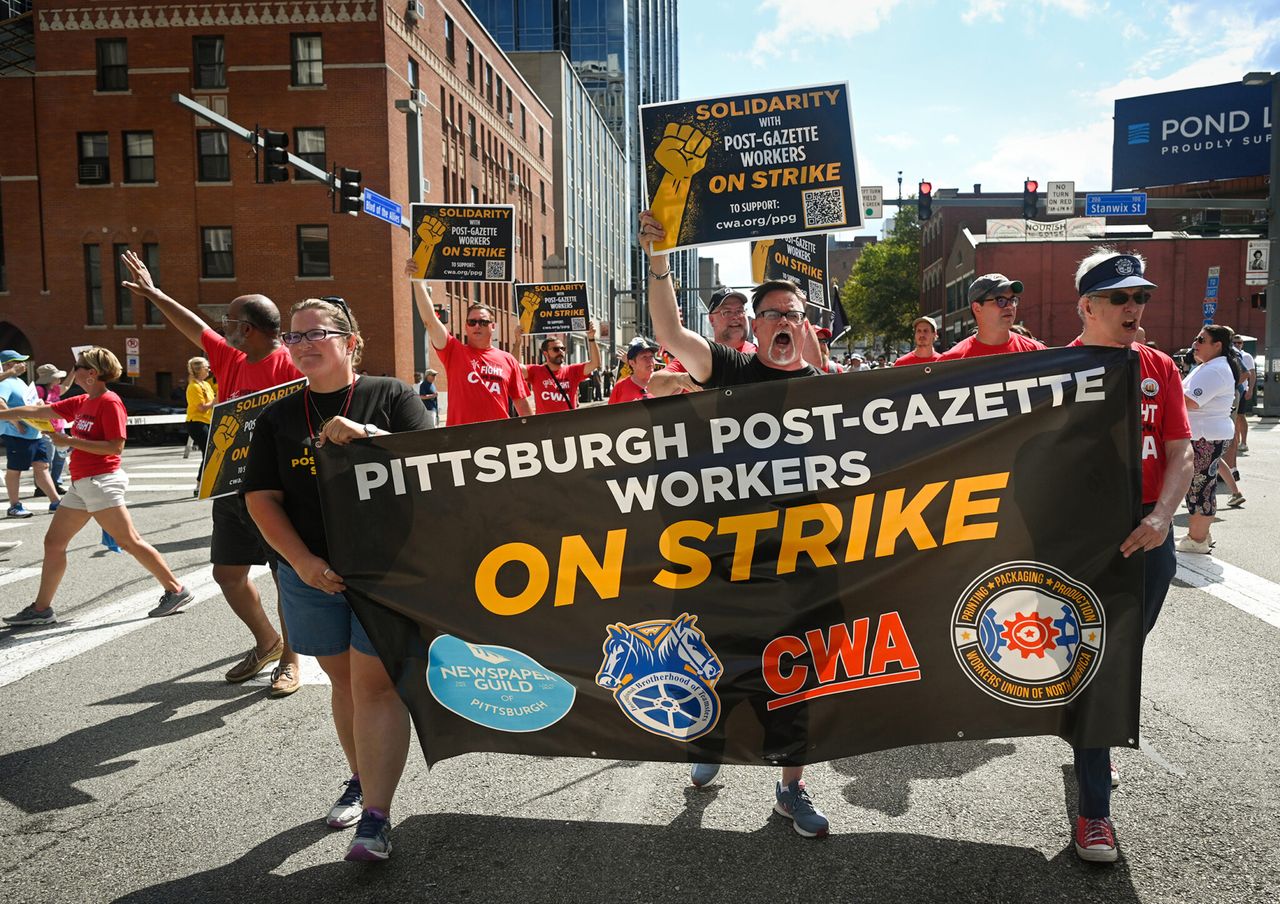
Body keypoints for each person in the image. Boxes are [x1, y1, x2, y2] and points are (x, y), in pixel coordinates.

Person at [640, 208, 829, 838]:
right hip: (720, 555)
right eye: (771, 314)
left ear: (804, 325)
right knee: (711, 658)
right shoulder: (731, 370)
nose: (783, 322)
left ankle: (791, 789)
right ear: (756, 324)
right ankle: (708, 742)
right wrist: (660, 258)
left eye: (792, 314)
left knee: (793, 671)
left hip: (795, 561)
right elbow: (669, 330)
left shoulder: (826, 390)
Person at [244, 298, 430, 862]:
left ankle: (375, 817)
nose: (302, 344)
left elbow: (428, 464)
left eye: (316, 333)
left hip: (383, 569)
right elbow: (261, 498)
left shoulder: (391, 395)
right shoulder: (277, 417)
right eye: (294, 336)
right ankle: (360, 777)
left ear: (350, 342)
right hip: (311, 573)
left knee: (375, 685)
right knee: (344, 682)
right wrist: (301, 562)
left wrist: (369, 433)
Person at [120, 250, 304, 696]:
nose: (222, 327)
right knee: (228, 574)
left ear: (248, 328)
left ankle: (291, 659)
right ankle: (267, 642)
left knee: (285, 577)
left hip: (277, 492)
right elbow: (193, 327)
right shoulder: (231, 358)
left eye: (229, 321)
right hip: (231, 487)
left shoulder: (291, 364)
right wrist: (154, 294)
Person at [1067, 248, 1193, 863]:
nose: (1134, 307)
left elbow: (1181, 451)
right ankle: (1094, 814)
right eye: (1120, 297)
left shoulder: (1159, 367)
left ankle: (1090, 735)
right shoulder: (1056, 369)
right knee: (1104, 660)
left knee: (1121, 651)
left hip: (1148, 529)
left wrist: (1163, 516)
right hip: (1083, 533)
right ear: (1087, 307)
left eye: (1140, 296)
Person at [1, 347, 194, 626]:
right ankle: (42, 609)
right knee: (54, 542)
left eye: (77, 366)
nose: (74, 371)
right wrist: (4, 414)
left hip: (102, 481)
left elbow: (115, 446)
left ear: (91, 373)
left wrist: (69, 441)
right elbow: (38, 409)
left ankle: (176, 589)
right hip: (82, 484)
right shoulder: (83, 400)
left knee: (129, 541)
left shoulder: (109, 401)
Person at [406, 260, 533, 425]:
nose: (477, 326)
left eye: (483, 322)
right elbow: (430, 321)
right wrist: (418, 282)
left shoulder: (508, 360)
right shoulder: (453, 350)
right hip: (461, 437)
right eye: (472, 322)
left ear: (493, 326)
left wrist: (536, 434)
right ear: (466, 326)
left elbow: (522, 404)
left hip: (500, 436)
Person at [1177, 324, 1240, 554]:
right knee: (1197, 485)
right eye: (1196, 339)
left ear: (1217, 345)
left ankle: (1198, 539)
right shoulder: (1209, 366)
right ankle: (1200, 534)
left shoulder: (1215, 370)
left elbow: (1191, 401)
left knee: (1200, 486)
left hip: (1205, 436)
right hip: (1203, 434)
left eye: (1201, 340)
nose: (1195, 343)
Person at [650, 288, 758, 396]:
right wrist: (679, 380)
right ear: (711, 319)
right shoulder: (698, 354)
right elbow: (653, 386)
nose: (735, 317)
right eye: (727, 312)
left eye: (740, 311)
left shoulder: (760, 354)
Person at [0, 350, 61, 517]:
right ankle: (14, 506)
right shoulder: (4, 382)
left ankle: (55, 502)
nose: (23, 364)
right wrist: (15, 422)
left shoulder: (19, 381)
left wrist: (38, 404)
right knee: (15, 469)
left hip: (33, 433)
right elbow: (0, 403)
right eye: (18, 361)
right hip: (17, 434)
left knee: (42, 466)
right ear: (7, 365)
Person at [940, 274, 1046, 359]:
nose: (1010, 306)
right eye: (1001, 300)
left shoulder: (1037, 352)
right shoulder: (952, 361)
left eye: (1012, 300)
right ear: (977, 308)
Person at [526, 326, 600, 413]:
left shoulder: (572, 370)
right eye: (556, 349)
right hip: (545, 421)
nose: (561, 351)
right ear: (545, 353)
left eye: (563, 349)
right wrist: (518, 342)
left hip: (568, 420)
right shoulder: (535, 371)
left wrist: (591, 338)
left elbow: (595, 363)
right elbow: (514, 367)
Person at [33, 364, 74, 496]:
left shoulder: (54, 389)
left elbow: (66, 386)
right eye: (57, 377)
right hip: (46, 430)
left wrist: (73, 371)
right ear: (49, 379)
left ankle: (55, 483)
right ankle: (42, 487)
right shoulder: (39, 390)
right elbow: (32, 406)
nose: (59, 379)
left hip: (59, 429)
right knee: (46, 460)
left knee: (60, 457)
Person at [185, 357, 216, 495]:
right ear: (198, 370)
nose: (209, 369)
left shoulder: (206, 384)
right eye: (206, 367)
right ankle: (199, 486)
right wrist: (216, 400)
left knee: (210, 453)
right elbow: (202, 408)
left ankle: (204, 484)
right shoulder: (193, 387)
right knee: (209, 452)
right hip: (196, 423)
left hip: (207, 422)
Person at [608, 338, 661, 403]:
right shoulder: (620, 386)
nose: (650, 360)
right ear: (632, 363)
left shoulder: (662, 382)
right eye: (644, 357)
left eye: (651, 356)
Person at [1231, 334, 1255, 458]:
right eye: (1234, 342)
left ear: (1242, 344)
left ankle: (1244, 442)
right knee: (1234, 418)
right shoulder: (1231, 354)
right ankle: (1236, 441)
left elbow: (1251, 374)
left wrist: (1250, 389)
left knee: (1241, 416)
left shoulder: (1246, 356)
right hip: (1233, 390)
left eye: (1239, 343)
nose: (1237, 345)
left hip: (1242, 389)